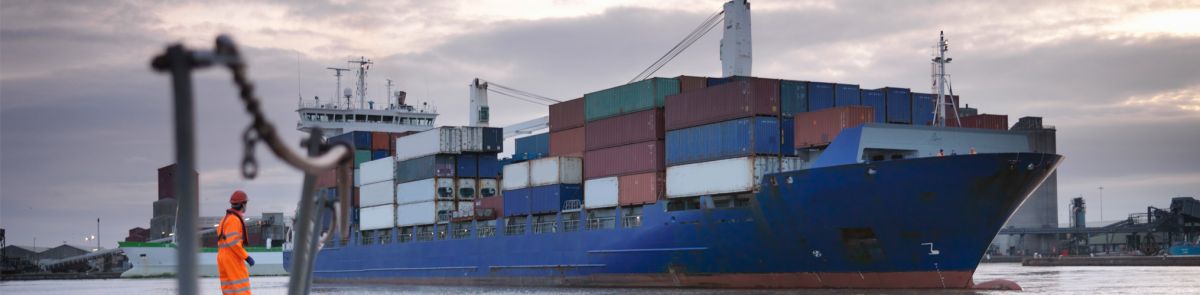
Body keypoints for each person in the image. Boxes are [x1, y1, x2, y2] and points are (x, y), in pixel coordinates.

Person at [218, 190, 254, 295]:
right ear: (243, 204)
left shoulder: (224, 219)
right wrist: (246, 257)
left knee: (229, 289)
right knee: (242, 288)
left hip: (222, 257)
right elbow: (233, 242)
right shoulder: (234, 220)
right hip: (232, 258)